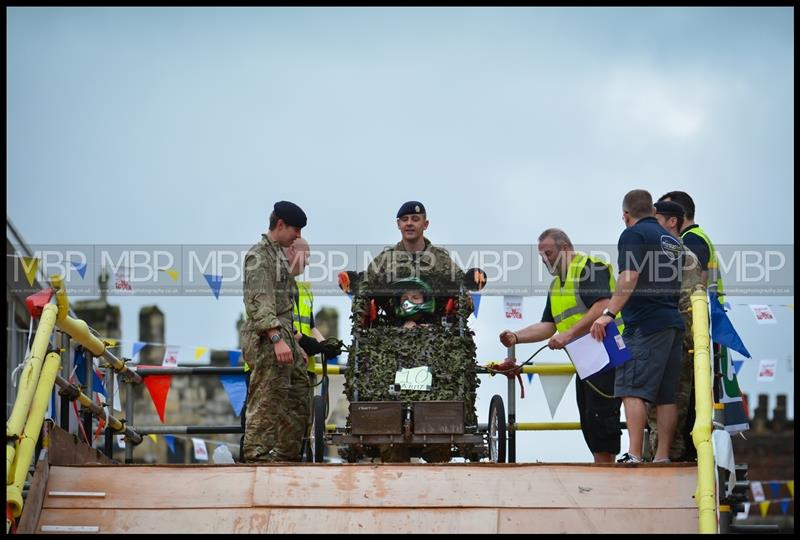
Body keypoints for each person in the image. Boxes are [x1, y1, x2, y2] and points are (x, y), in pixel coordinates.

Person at [499, 228, 624, 463]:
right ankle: (603, 467)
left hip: (608, 352)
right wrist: (516, 336)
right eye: (542, 256)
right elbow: (548, 326)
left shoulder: (589, 268)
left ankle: (608, 471)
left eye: (549, 253)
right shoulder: (556, 286)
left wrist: (568, 334)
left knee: (602, 416)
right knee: (589, 418)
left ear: (565, 248)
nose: (545, 260)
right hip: (587, 359)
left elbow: (602, 306)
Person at [589, 189, 684, 464]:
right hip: (672, 323)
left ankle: (633, 454)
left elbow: (629, 277)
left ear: (626, 216)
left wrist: (608, 313)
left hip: (645, 323)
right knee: (666, 396)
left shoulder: (632, 234)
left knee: (631, 388)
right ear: (653, 212)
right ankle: (662, 456)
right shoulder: (671, 239)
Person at [657, 190, 749, 436]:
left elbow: (693, 283)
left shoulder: (691, 241)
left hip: (694, 326)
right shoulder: (698, 238)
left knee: (687, 391)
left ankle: (685, 446)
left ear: (678, 216)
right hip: (704, 326)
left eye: (662, 214)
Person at [239, 200, 310, 463]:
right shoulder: (259, 256)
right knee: (268, 396)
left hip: (284, 337)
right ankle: (256, 454)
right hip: (267, 338)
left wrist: (294, 343)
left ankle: (286, 454)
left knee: (298, 395)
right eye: (296, 230)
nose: (298, 236)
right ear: (280, 225)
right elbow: (260, 303)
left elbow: (284, 306)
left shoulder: (278, 256)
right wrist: (277, 338)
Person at [648, 201, 705, 461]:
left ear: (672, 221)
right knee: (651, 411)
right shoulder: (649, 254)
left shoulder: (684, 256)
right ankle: (653, 460)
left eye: (655, 218)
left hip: (677, 344)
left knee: (673, 407)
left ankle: (666, 463)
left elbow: (689, 305)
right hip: (652, 341)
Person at [352, 201, 465, 326]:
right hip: (390, 336)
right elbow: (363, 293)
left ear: (425, 224)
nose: (409, 223)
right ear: (398, 224)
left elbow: (464, 291)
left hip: (438, 334)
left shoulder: (441, 260)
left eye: (415, 219)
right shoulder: (384, 261)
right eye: (405, 219)